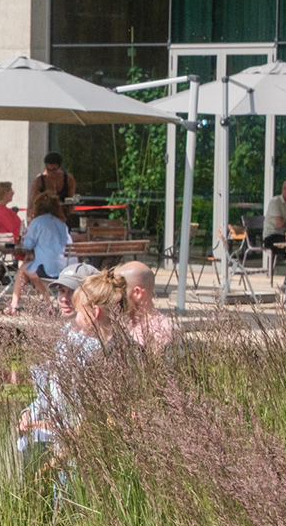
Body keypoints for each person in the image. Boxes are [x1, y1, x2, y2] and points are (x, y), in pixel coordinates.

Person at [18, 269, 126, 451]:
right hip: (57, 437)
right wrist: (29, 412)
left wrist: (57, 451)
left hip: (75, 446)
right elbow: (50, 390)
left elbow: (93, 419)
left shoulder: (102, 351)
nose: (64, 299)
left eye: (72, 293)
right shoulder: (66, 334)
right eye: (61, 291)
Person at [12, 192, 71, 315]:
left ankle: (14, 305)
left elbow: (27, 245)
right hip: (67, 268)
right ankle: (44, 303)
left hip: (50, 271)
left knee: (24, 269)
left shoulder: (37, 222)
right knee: (31, 269)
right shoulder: (61, 224)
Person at [116, 260, 177, 353]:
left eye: (118, 291)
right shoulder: (123, 322)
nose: (113, 296)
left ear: (137, 293)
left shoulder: (160, 330)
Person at [28, 151, 76, 218]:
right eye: (48, 170)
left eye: (54, 170)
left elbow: (71, 200)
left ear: (60, 167)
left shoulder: (68, 179)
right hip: (43, 217)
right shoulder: (39, 180)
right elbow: (31, 203)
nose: (51, 173)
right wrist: (30, 219)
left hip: (63, 216)